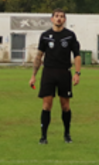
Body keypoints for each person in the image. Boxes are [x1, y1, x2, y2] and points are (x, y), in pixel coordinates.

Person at [29, 9, 82, 144]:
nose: (59, 18)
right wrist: (33, 75)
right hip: (48, 73)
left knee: (65, 105)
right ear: (52, 19)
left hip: (64, 72)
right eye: (56, 16)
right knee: (47, 105)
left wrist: (77, 73)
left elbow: (77, 55)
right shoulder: (45, 36)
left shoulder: (70, 36)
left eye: (61, 16)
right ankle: (43, 137)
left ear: (64, 20)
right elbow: (39, 56)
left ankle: (67, 134)